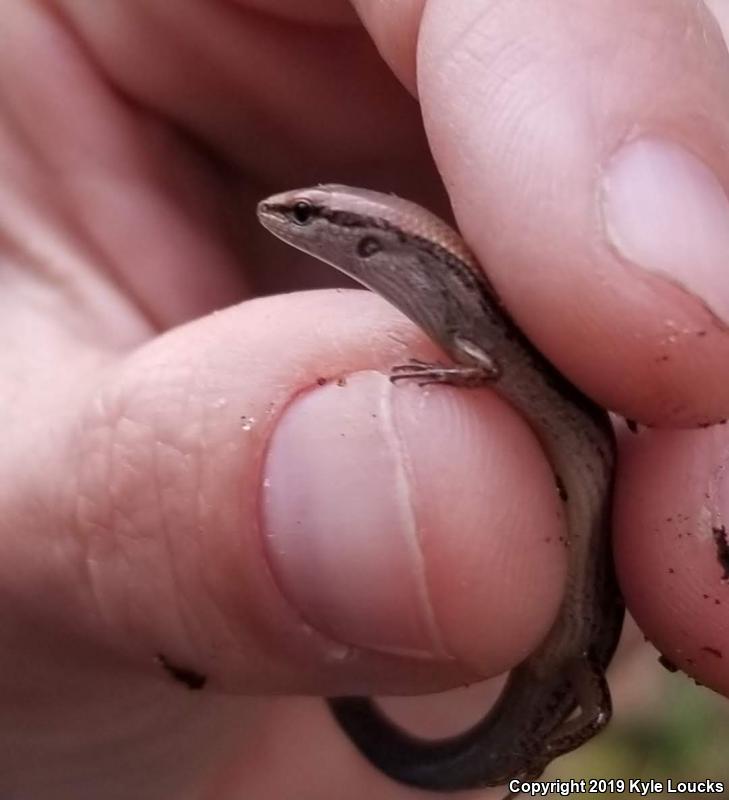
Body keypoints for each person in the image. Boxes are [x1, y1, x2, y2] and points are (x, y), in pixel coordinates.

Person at [4, 0, 729, 797]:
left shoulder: (456, 313)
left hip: (576, 631)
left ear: (373, 242)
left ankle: (531, 756)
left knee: (579, 695)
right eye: (304, 212)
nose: (294, 220)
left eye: (313, 216)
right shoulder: (441, 298)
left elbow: (485, 362)